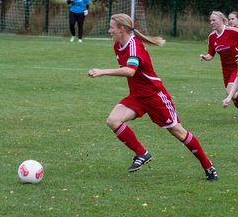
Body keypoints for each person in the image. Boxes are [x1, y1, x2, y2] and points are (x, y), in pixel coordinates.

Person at [88, 13, 218, 181]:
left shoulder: (134, 45)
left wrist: (102, 71)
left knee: (178, 131)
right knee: (113, 120)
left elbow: (130, 70)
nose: (109, 31)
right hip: (137, 97)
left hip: (155, 96)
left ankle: (209, 167)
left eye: (112, 27)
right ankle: (142, 153)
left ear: (121, 29)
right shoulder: (118, 45)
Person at [200, 11, 238, 109]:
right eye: (210, 21)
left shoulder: (232, 31)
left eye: (214, 20)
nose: (211, 22)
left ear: (221, 20)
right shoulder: (212, 37)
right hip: (225, 69)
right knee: (233, 96)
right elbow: (211, 54)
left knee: (230, 91)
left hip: (236, 65)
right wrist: (205, 57)